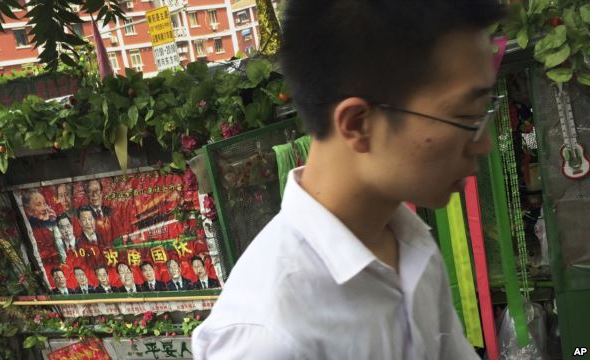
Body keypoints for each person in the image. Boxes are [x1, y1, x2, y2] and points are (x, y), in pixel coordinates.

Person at [192, 1, 505, 359]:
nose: (483, 144)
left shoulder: (410, 244)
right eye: (466, 116)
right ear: (358, 123)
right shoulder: (267, 335)